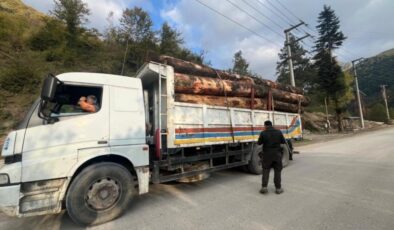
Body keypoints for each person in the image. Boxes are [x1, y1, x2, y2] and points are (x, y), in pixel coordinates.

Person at [257, 120, 286, 194]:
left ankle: (264, 187)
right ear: (271, 125)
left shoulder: (263, 133)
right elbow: (283, 142)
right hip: (277, 155)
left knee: (266, 171)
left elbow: (259, 143)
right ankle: (278, 189)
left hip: (267, 155)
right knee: (277, 171)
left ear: (265, 125)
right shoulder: (279, 132)